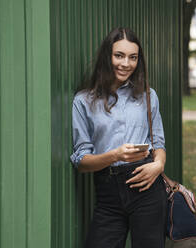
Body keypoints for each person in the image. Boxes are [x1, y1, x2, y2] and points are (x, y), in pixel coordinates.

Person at [70, 27, 167, 248]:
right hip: (108, 191)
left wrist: (158, 165)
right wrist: (115, 155)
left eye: (133, 57)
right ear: (107, 56)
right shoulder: (84, 101)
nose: (126, 64)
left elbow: (158, 142)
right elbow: (82, 161)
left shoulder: (148, 95)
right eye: (119, 56)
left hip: (147, 186)